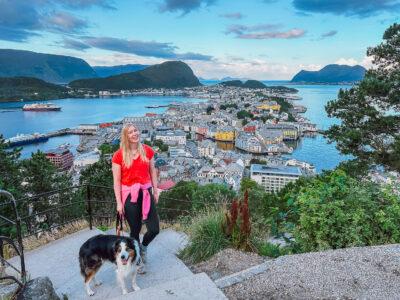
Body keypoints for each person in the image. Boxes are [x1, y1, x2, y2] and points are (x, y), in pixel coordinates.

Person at [112, 123, 159, 272]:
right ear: (126, 136)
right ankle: (138, 260)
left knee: (154, 229)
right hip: (128, 195)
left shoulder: (147, 151)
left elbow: (153, 172)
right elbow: (116, 181)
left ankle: (143, 247)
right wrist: (119, 203)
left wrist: (156, 191)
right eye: (131, 132)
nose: (134, 134)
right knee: (135, 230)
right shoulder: (118, 155)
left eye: (136, 130)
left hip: (145, 191)